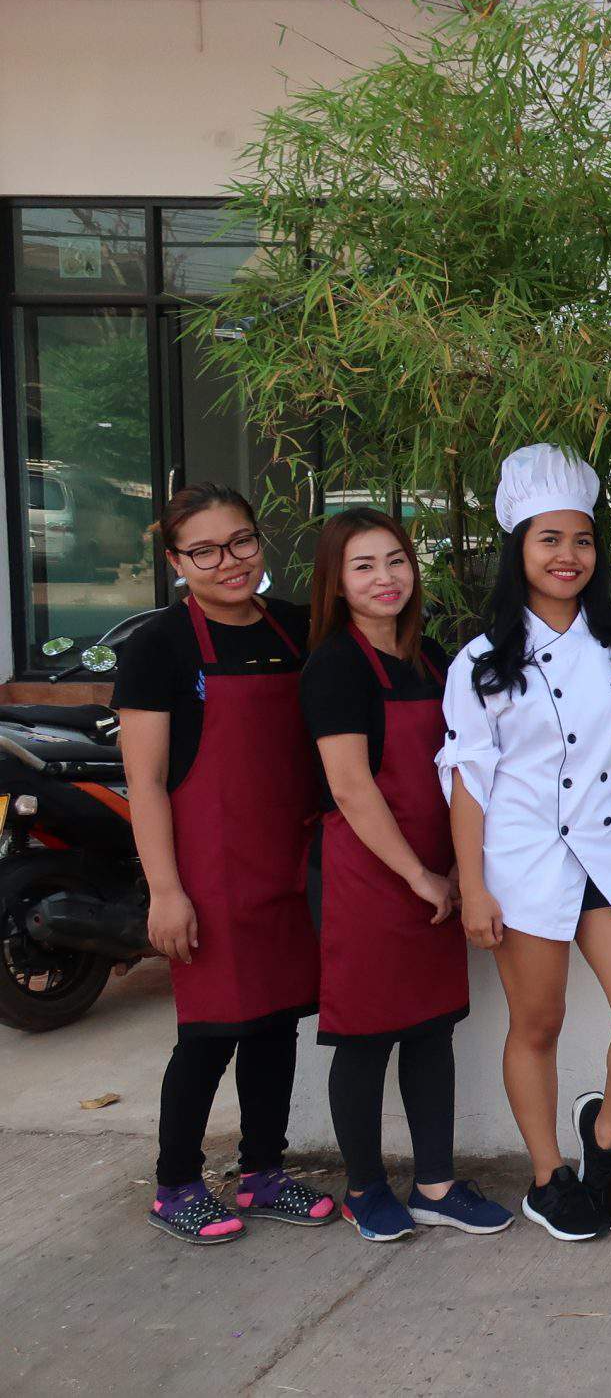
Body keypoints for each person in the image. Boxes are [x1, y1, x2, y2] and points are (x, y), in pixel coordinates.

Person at [439, 444, 611, 1242]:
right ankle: (548, 1178)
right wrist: (473, 886)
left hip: (604, 850)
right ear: (519, 548)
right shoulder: (482, 661)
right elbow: (468, 781)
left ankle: (604, 1138)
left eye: (582, 539)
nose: (568, 555)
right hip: (525, 858)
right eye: (549, 539)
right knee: (538, 1025)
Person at [115, 483, 336, 1244]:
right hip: (206, 869)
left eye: (240, 541)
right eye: (204, 551)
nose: (229, 561)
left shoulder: (297, 627)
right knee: (209, 1032)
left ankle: (262, 1172)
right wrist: (165, 890)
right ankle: (175, 1183)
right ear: (176, 562)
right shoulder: (159, 646)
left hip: (285, 859)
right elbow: (146, 781)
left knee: (276, 1021)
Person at [301, 508, 514, 1243]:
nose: (385, 578)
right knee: (365, 1037)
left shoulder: (432, 658)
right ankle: (365, 1187)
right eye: (363, 566)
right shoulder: (334, 665)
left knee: (430, 1028)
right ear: (336, 582)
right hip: (366, 875)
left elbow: (468, 762)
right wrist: (420, 875)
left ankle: (435, 1184)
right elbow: (351, 787)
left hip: (438, 866)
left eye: (396, 560)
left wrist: (458, 860)